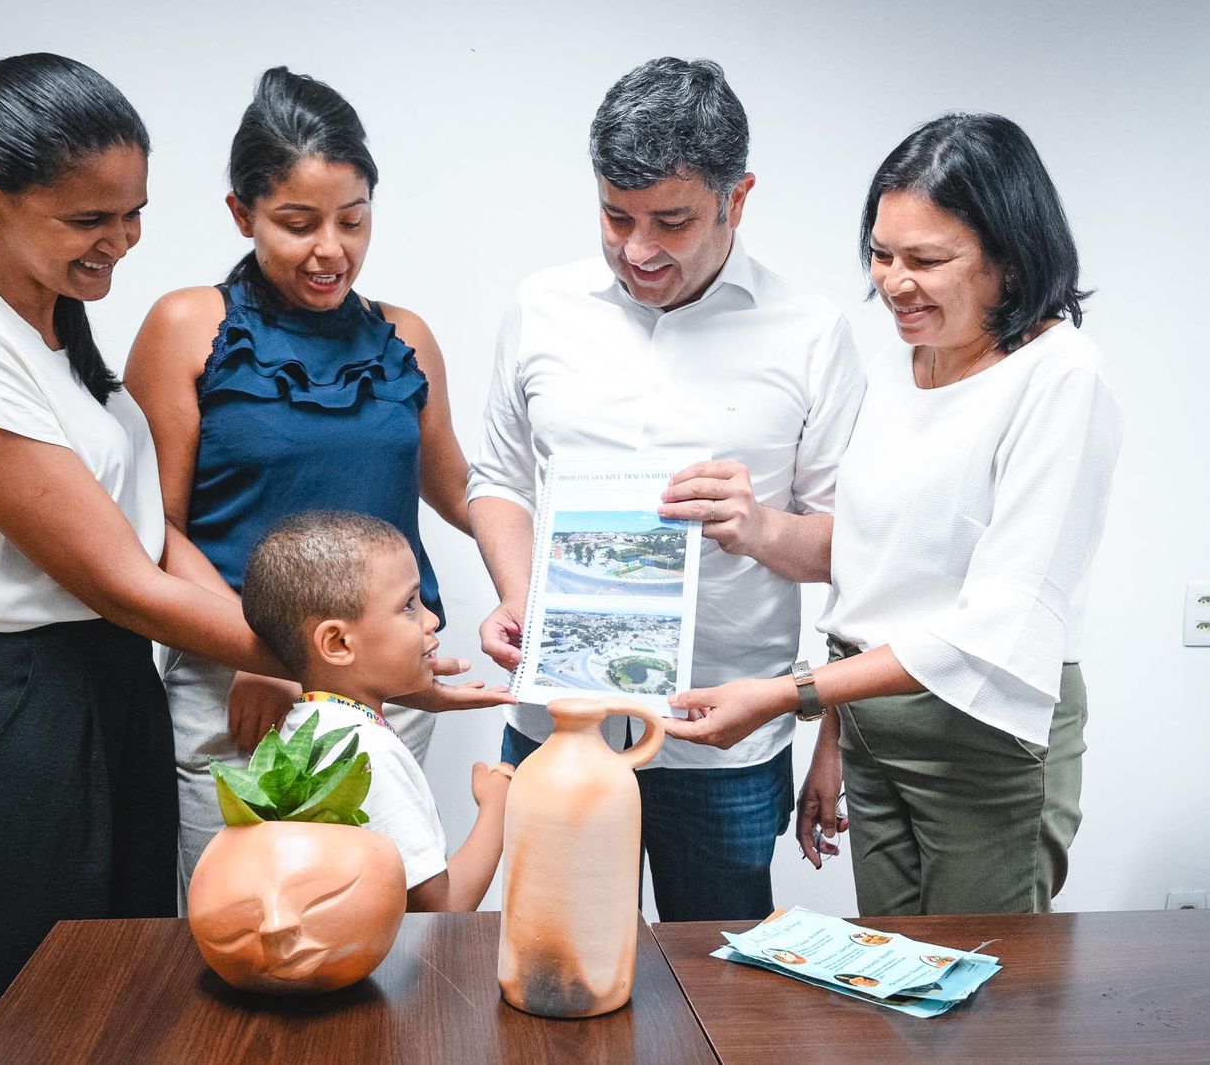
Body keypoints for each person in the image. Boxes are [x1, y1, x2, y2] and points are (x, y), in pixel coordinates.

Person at [0, 55, 282, 1065]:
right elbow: (117, 580)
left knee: (122, 1020)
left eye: (132, 212)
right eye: (89, 218)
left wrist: (267, 646)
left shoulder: (44, 314)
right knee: (18, 1035)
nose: (120, 243)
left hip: (99, 694)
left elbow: (146, 531)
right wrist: (338, 656)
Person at [660, 113, 1124, 917]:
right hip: (874, 729)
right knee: (895, 987)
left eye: (927, 260)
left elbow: (997, 623)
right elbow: (874, 578)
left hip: (985, 741)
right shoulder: (892, 365)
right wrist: (836, 741)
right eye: (880, 253)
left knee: (985, 999)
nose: (892, 282)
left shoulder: (1060, 380)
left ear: (1009, 263)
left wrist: (789, 696)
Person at [468, 57, 866, 922]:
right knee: (552, 970)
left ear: (738, 198)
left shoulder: (811, 335)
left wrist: (759, 527)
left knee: (719, 991)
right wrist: (516, 591)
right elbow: (497, 480)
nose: (637, 250)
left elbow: (853, 548)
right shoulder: (540, 307)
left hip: (720, 739)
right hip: (558, 725)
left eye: (672, 222)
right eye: (616, 217)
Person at [122, 66, 511, 904]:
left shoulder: (404, 337)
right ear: (242, 213)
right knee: (241, 928)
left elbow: (461, 490)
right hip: (237, 690)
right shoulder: (189, 326)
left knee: (381, 928)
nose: (330, 248)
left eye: (353, 220)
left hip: (382, 677)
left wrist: (565, 549)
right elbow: (156, 529)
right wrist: (268, 654)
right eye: (297, 223)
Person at [241, 511, 514, 910]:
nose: (432, 619)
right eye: (408, 605)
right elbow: (442, 907)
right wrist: (498, 806)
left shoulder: (301, 731)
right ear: (337, 643)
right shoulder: (365, 753)